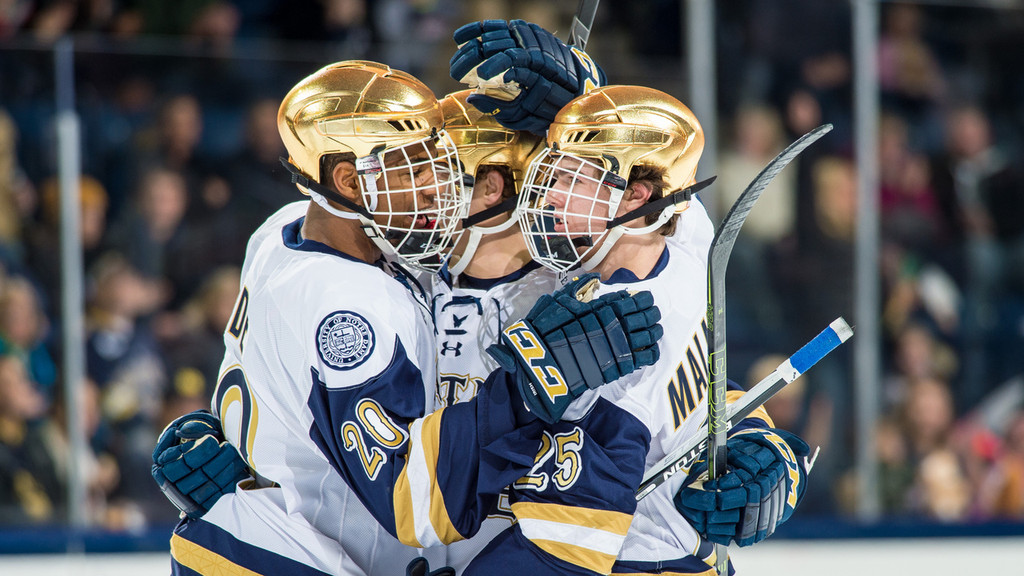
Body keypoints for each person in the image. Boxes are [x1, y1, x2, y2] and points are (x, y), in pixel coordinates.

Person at [157, 60, 664, 576]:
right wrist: (524, 387)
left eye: (441, 166)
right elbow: (411, 501)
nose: (437, 188)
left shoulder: (285, 229)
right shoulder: (350, 304)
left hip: (270, 535)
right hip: (293, 555)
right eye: (413, 169)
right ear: (347, 182)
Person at [459, 84, 813, 576]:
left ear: (636, 198)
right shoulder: (688, 251)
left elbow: (566, 545)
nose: (548, 194)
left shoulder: (614, 344)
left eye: (572, 180)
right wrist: (583, 89)